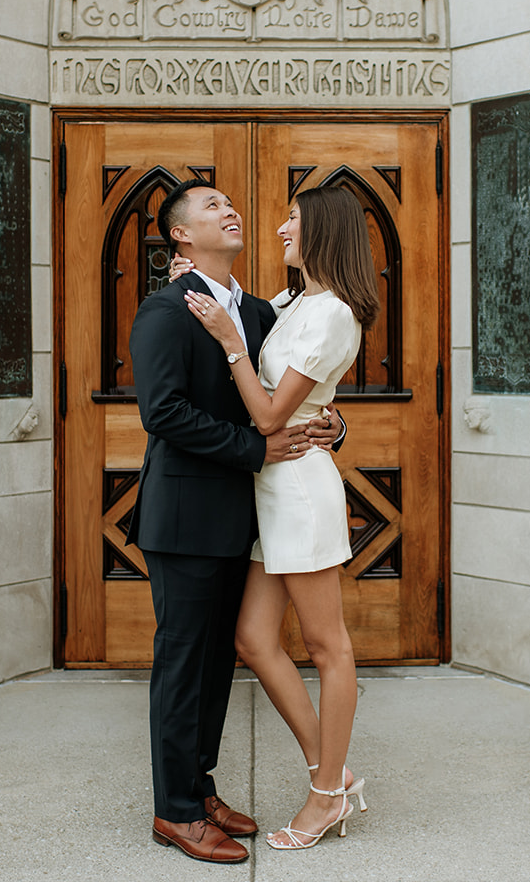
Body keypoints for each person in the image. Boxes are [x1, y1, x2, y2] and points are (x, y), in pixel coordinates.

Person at [126, 179, 343, 864]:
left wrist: (333, 425)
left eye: (231, 203)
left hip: (243, 520)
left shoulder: (257, 311)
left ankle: (202, 785)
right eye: (213, 206)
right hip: (185, 518)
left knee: (221, 662)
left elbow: (291, 386)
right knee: (183, 663)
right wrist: (257, 447)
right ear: (181, 236)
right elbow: (162, 413)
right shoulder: (163, 311)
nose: (232, 211)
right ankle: (177, 811)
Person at [179, 185, 378, 851]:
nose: (279, 229)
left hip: (298, 488)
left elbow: (268, 416)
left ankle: (324, 798)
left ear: (321, 230)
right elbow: (240, 313)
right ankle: (335, 771)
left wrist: (232, 342)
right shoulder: (292, 304)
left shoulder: (335, 316)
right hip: (267, 487)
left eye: (292, 220)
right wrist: (192, 281)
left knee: (328, 645)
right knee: (255, 639)